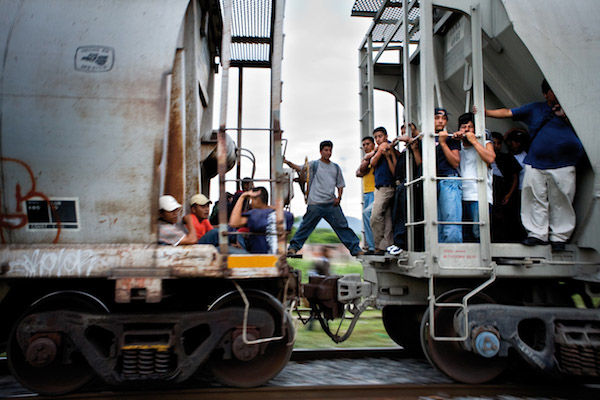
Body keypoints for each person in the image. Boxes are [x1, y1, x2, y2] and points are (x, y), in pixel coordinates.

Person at [485, 79, 584, 250]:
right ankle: (537, 234)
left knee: (562, 199)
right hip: (536, 161)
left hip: (564, 162)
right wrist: (485, 112)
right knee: (533, 197)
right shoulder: (535, 108)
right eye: (553, 90)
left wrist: (566, 116)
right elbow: (508, 112)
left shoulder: (574, 109)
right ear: (546, 94)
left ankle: (559, 237)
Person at [287, 140, 363, 256]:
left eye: (330, 150)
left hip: (331, 204)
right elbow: (299, 169)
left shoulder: (336, 168)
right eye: (326, 150)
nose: (328, 153)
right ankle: (293, 248)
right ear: (321, 152)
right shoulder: (314, 165)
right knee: (306, 226)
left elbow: (340, 184)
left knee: (342, 227)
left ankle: (355, 249)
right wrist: (287, 162)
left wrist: (339, 198)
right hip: (315, 203)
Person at [455, 113, 495, 242]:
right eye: (463, 127)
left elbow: (490, 158)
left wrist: (474, 141)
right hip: (459, 195)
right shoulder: (456, 146)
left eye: (470, 127)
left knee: (478, 234)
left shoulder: (485, 143)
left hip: (478, 196)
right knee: (464, 234)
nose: (466, 130)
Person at [389, 123, 422, 254]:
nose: (403, 134)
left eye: (406, 131)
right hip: (400, 184)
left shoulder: (417, 145)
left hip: (411, 183)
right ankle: (399, 242)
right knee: (397, 213)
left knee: (406, 214)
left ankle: (402, 243)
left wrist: (413, 144)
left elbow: (420, 164)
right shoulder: (404, 151)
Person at [230, 187, 293, 254]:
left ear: (257, 199)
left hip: (258, 256)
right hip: (276, 255)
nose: (250, 204)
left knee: (221, 249)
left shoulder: (256, 214)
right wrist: (269, 207)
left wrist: (242, 197)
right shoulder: (286, 215)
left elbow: (234, 223)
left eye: (251, 200)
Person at [366, 127, 397, 254]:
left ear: (386, 136)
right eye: (376, 137)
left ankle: (379, 245)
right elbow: (371, 161)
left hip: (387, 186)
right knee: (387, 217)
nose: (378, 139)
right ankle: (387, 244)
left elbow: (373, 163)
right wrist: (378, 150)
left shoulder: (388, 148)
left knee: (375, 216)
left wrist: (380, 150)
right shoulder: (378, 149)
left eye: (380, 136)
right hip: (380, 186)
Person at [434, 108, 462, 243]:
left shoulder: (451, 138)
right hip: (433, 181)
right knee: (436, 224)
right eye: (437, 118)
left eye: (444, 118)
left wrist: (443, 143)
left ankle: (454, 256)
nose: (440, 121)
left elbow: (455, 162)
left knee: (451, 222)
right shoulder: (427, 138)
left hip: (448, 179)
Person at [490, 132, 522, 242]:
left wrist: (509, 194)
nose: (496, 146)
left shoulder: (507, 158)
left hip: (504, 192)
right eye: (493, 143)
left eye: (498, 143)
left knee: (506, 219)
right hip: (491, 192)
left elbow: (515, 177)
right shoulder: (484, 157)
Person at [356, 136, 376, 253]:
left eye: (367, 144)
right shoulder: (366, 158)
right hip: (366, 192)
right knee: (367, 219)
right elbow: (358, 172)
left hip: (375, 190)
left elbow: (363, 171)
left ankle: (373, 246)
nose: (365, 147)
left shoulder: (375, 156)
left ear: (373, 144)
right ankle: (370, 245)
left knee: (371, 217)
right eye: (363, 145)